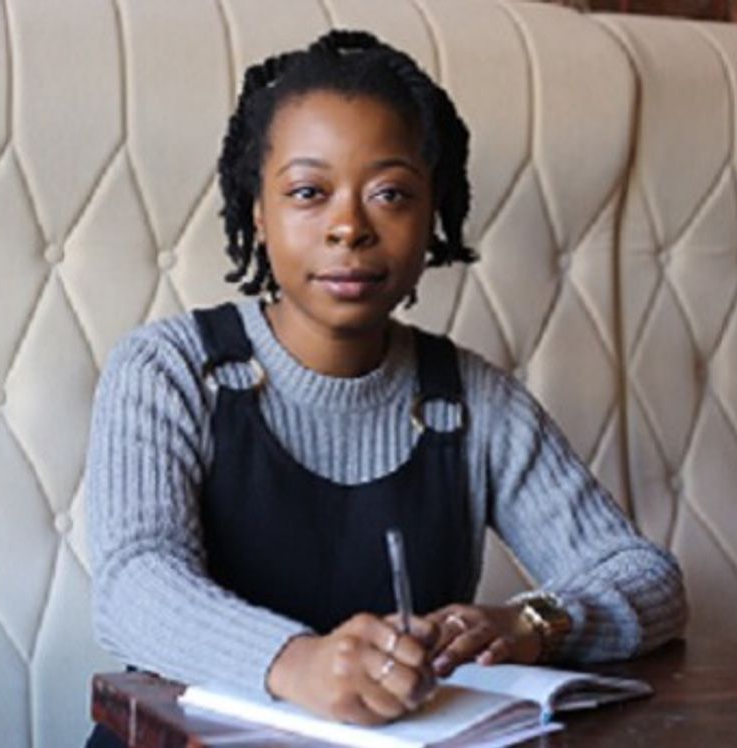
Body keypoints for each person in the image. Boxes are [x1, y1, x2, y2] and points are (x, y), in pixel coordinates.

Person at [84, 29, 687, 745]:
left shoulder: (474, 401)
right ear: (257, 212)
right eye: (308, 192)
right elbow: (132, 585)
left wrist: (530, 624)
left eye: (390, 194)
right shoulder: (170, 370)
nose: (349, 227)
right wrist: (298, 664)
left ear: (431, 215)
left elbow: (646, 578)